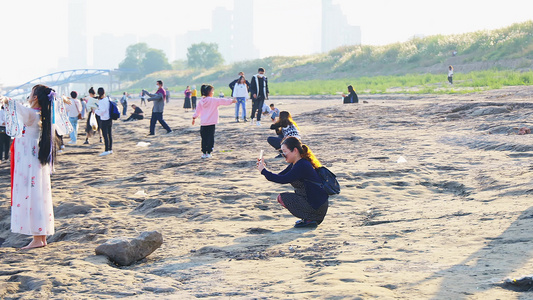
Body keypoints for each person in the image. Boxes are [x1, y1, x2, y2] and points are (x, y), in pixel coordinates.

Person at [2, 84, 61, 249]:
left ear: (35, 98)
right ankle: (40, 237)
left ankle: (37, 238)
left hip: (28, 159)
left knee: (32, 195)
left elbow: (16, 107)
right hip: (34, 157)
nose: (29, 95)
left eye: (31, 93)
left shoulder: (32, 114)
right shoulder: (42, 114)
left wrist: (6, 100)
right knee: (38, 195)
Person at [257, 137, 329, 228]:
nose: (283, 154)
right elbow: (278, 176)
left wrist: (263, 171)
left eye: (285, 151)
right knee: (283, 197)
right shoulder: (296, 164)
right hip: (315, 204)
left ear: (295, 151)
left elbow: (282, 179)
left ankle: (310, 218)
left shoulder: (302, 165)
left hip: (316, 206)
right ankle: (308, 218)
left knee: (283, 197)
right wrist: (263, 169)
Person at [192, 84, 236, 159]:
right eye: (212, 91)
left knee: (204, 138)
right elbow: (223, 101)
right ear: (209, 92)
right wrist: (232, 101)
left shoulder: (201, 101)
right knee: (210, 138)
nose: (213, 92)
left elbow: (197, 111)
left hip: (203, 122)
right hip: (211, 122)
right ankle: (208, 152)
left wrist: (194, 117)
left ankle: (204, 153)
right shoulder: (213, 100)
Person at [95, 87, 113, 156]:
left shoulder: (101, 101)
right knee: (110, 135)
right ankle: (110, 149)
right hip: (110, 118)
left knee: (105, 135)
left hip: (104, 119)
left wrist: (95, 111)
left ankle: (106, 150)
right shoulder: (108, 98)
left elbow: (102, 111)